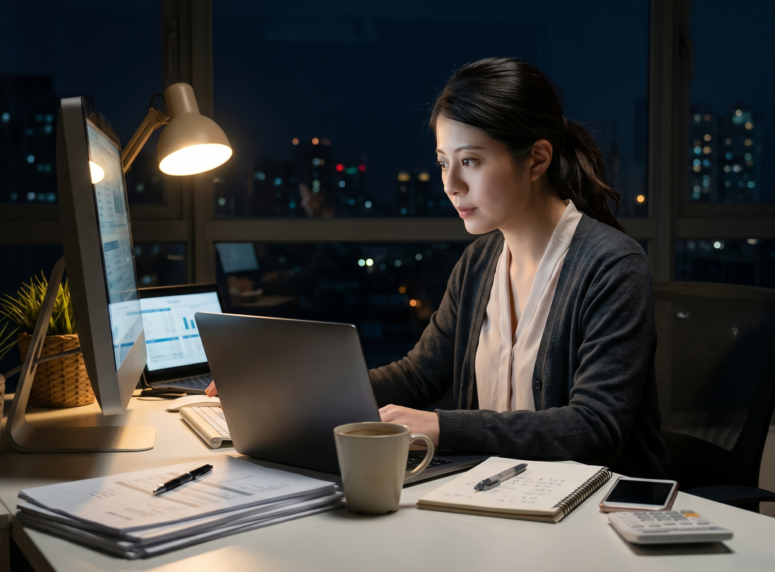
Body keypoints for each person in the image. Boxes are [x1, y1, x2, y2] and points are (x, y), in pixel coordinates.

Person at [210, 57, 670, 478]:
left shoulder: (612, 265)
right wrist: (289, 392)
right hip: (494, 492)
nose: (450, 184)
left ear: (536, 159)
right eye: (443, 163)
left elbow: (594, 428)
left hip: (593, 510)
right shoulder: (480, 262)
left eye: (470, 161)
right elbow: (418, 375)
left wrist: (440, 426)